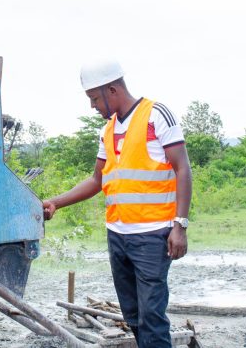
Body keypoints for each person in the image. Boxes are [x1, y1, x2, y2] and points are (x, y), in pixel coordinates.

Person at [42, 59, 192, 348]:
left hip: (153, 235)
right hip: (118, 236)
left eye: (95, 98)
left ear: (112, 90)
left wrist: (180, 225)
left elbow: (183, 169)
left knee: (151, 315)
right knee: (133, 314)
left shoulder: (156, 115)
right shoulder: (107, 131)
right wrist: (56, 202)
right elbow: (97, 180)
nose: (93, 106)